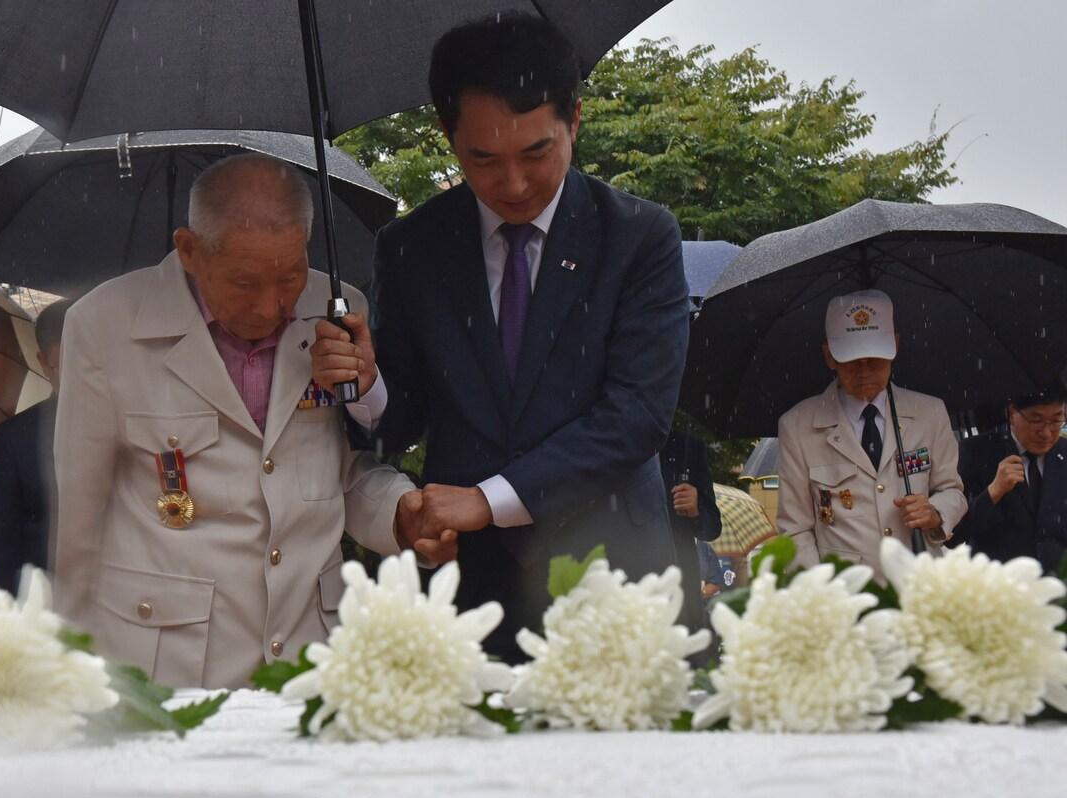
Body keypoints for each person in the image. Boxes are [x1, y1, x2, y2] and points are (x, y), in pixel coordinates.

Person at [323, 14, 689, 660]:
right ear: (448, 136)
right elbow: (398, 422)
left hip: (614, 570)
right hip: (470, 588)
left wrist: (490, 500)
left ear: (574, 121)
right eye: (483, 160)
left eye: (536, 153)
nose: (514, 184)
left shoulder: (637, 237)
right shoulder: (412, 247)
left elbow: (636, 415)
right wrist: (365, 379)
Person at [53, 154, 447, 689]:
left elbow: (346, 473)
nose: (271, 306)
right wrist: (69, 661)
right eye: (244, 282)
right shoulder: (105, 326)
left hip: (311, 653)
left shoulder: (338, 310)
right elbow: (81, 509)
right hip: (165, 661)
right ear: (189, 250)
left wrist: (400, 515)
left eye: (290, 275)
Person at [777, 289, 966, 579]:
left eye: (875, 359)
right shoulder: (798, 427)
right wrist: (822, 594)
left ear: (895, 346)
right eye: (852, 361)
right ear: (829, 356)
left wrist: (935, 513)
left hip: (917, 584)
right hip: (847, 593)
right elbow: (795, 529)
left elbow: (952, 490)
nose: (864, 371)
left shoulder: (929, 413)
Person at [0, 299, 71, 593]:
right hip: (49, 600)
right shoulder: (17, 437)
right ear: (44, 362)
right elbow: (3, 545)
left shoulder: (128, 422)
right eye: (66, 365)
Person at [952, 391, 1067, 571]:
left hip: (1057, 584)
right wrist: (993, 492)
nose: (1046, 432)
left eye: (1055, 421)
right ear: (1012, 413)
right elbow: (954, 535)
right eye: (1036, 420)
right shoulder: (976, 453)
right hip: (1000, 584)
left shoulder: (1063, 452)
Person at [659, 430, 722, 638]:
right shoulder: (617, 438)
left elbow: (712, 527)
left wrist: (697, 508)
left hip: (680, 577)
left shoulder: (687, 445)